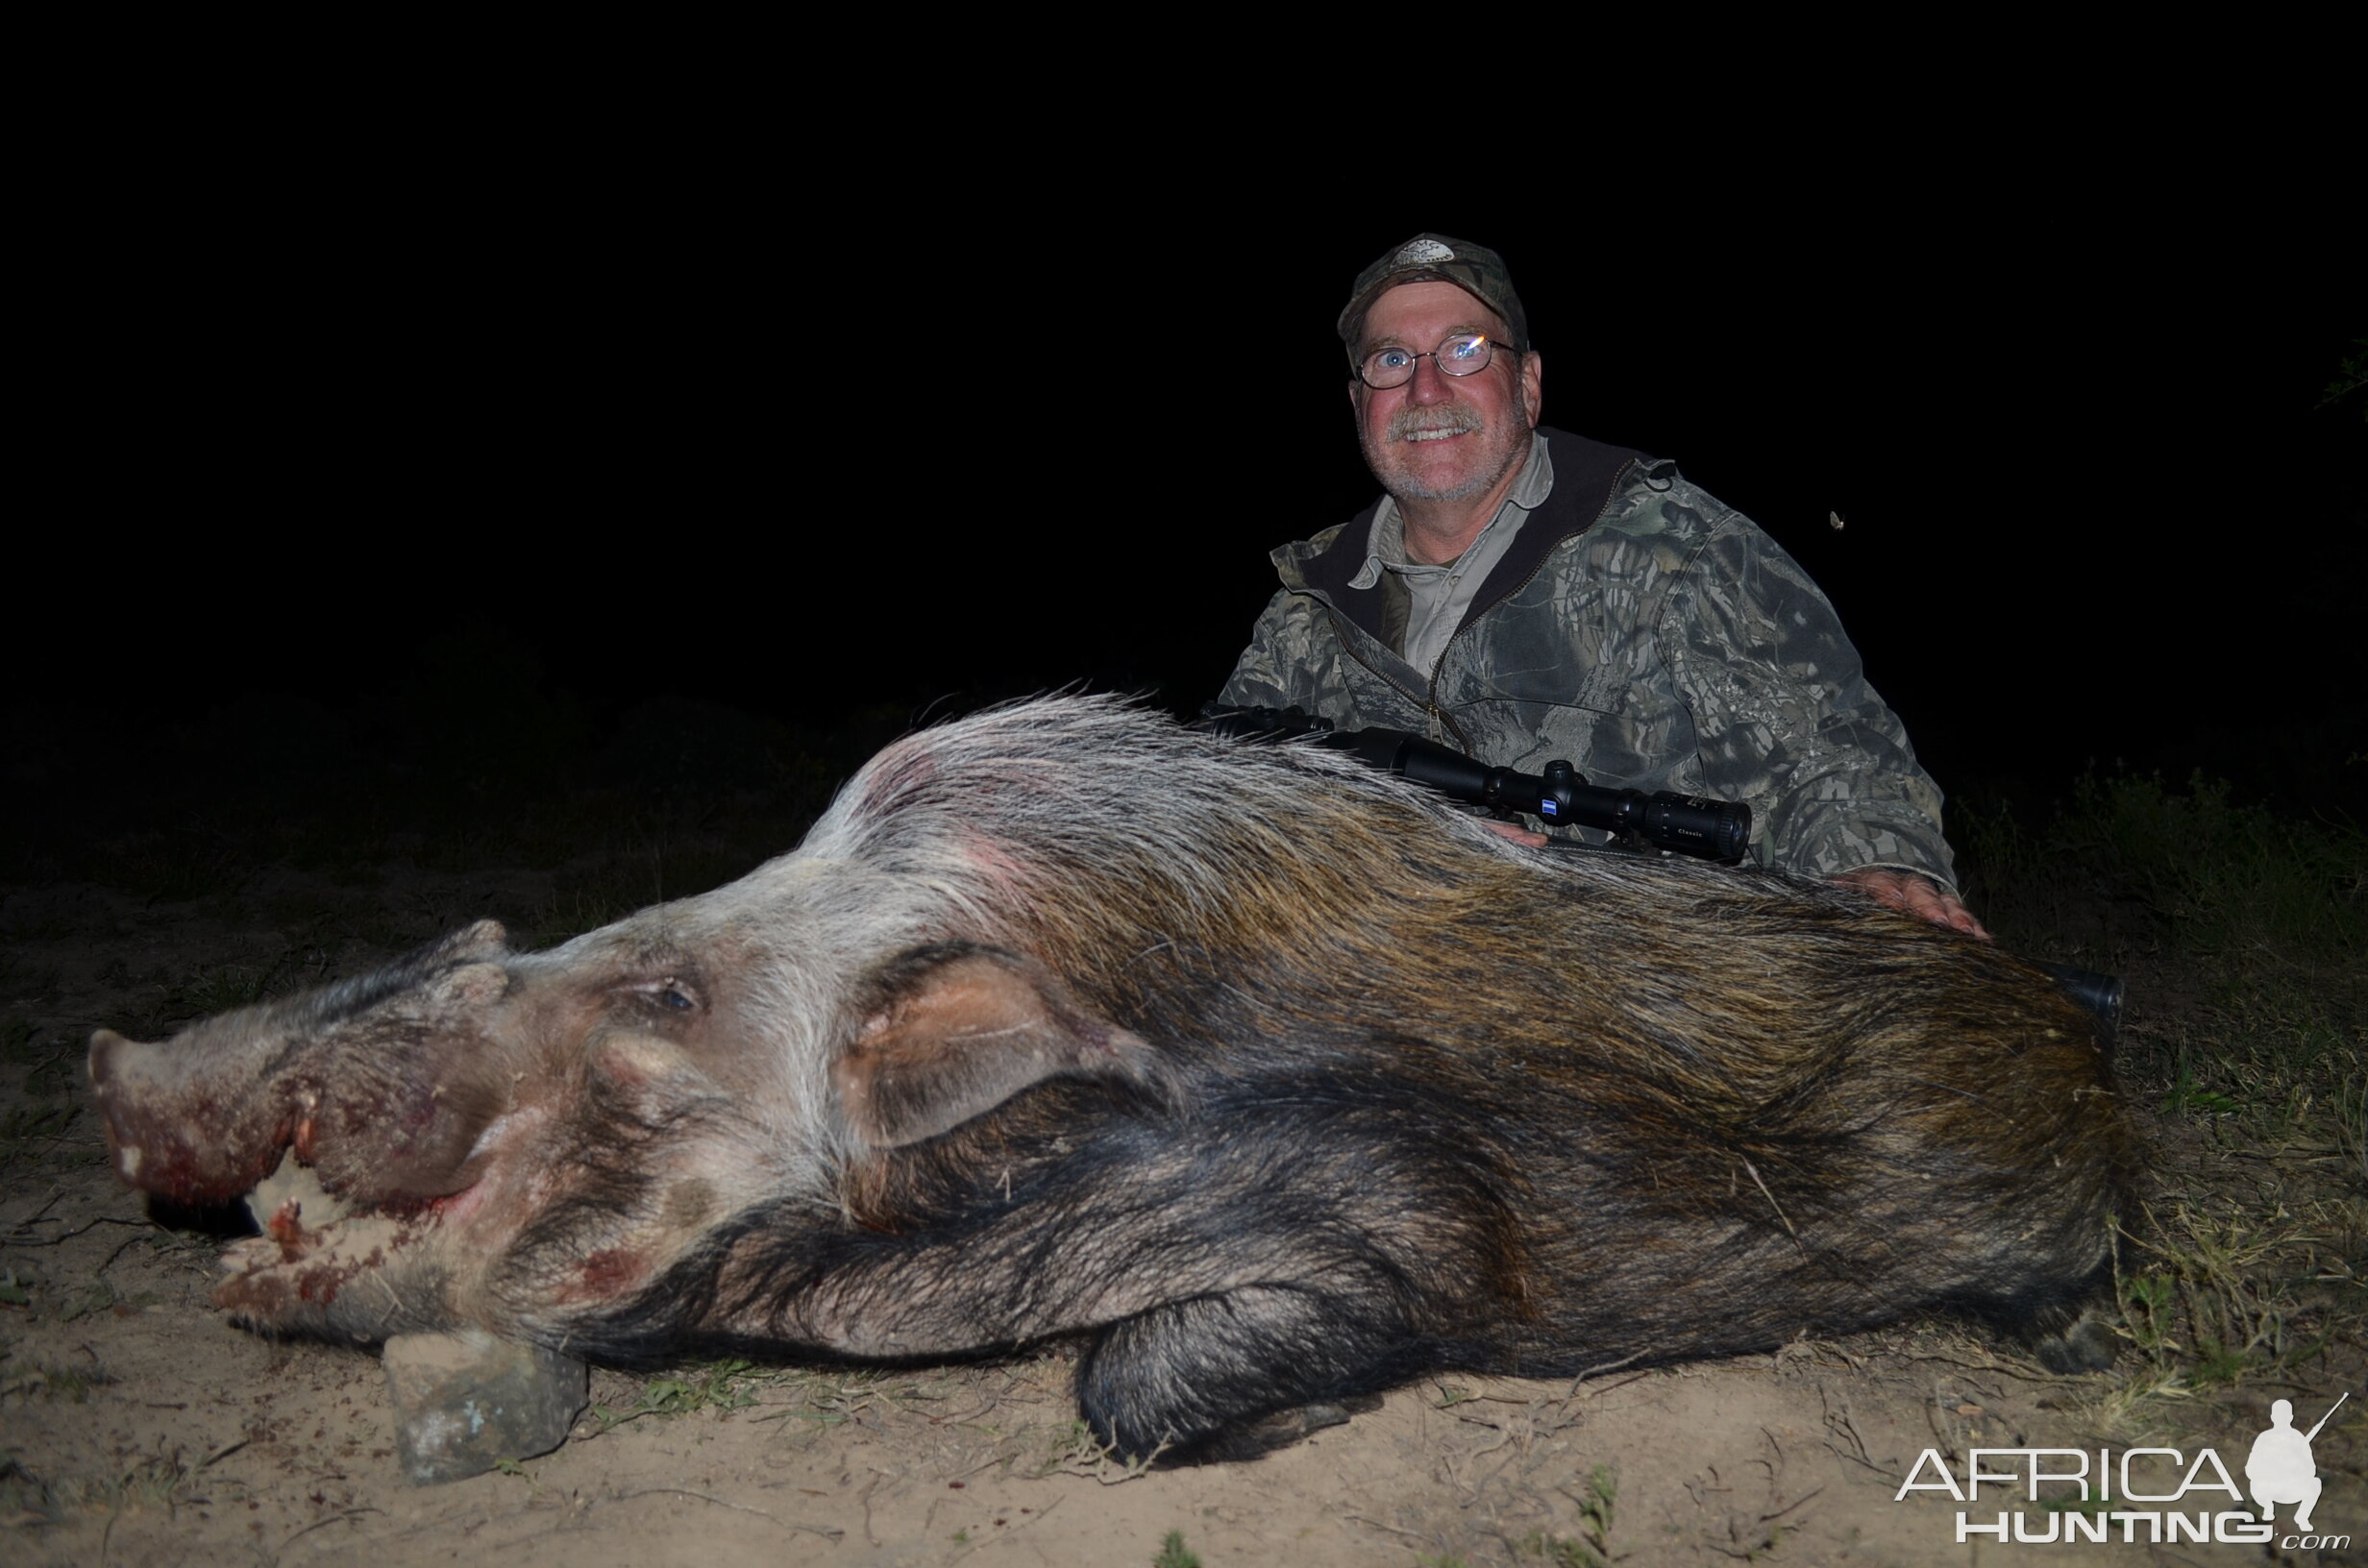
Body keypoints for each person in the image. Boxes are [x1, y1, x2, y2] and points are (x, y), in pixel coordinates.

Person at [1219, 233, 1985, 935]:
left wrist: (1881, 878)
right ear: (1359, 405)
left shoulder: (1679, 550)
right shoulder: (1309, 607)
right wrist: (1392, 848)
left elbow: (1832, 762)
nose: (1425, 390)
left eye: (1464, 349)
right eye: (1391, 360)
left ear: (1528, 384)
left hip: (1655, 993)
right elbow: (1220, 799)